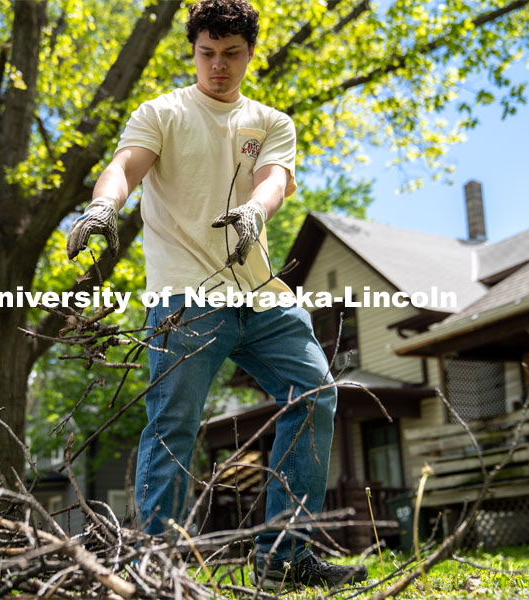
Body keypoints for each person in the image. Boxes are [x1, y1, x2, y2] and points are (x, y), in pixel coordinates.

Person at [65, 0, 367, 589]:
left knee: (315, 394)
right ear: (194, 51)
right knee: (174, 426)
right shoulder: (164, 112)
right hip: (184, 295)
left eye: (232, 54)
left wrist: (256, 211)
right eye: (208, 53)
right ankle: (158, 567)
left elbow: (274, 178)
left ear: (250, 54)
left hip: (259, 293)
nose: (219, 66)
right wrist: (104, 205)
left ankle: (284, 555)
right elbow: (126, 165)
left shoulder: (272, 122)